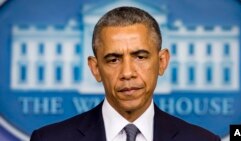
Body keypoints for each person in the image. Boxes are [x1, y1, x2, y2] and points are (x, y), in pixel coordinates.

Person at [30, 6, 221, 141]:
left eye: (140, 57)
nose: (127, 73)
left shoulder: (202, 140)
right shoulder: (48, 139)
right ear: (95, 69)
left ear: (162, 62)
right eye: (113, 59)